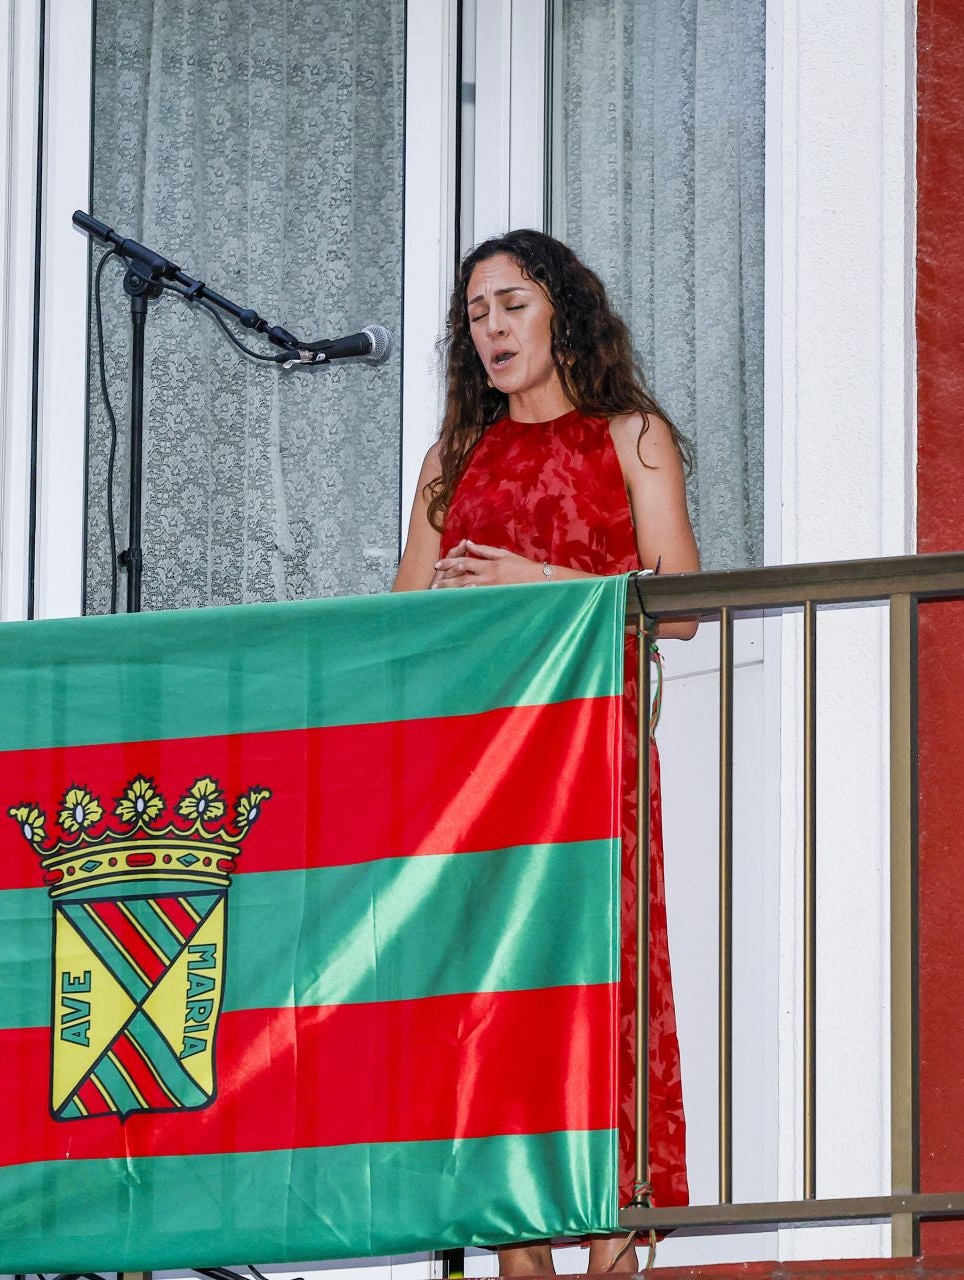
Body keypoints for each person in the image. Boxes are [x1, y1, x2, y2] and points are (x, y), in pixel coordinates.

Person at [393, 229, 699, 1275]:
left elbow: (684, 605)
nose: (492, 329)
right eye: (476, 313)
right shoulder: (454, 458)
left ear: (563, 313)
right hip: (477, 769)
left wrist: (536, 581)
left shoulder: (631, 437)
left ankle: (616, 1242)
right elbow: (399, 622)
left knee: (594, 987)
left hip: (586, 765)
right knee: (492, 996)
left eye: (513, 304)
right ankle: (517, 1251)